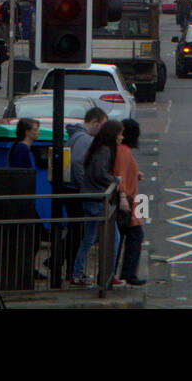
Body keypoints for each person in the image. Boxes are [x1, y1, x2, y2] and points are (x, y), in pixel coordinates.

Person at [73, 119, 125, 289]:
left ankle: (77, 274)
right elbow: (99, 173)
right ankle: (107, 276)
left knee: (88, 238)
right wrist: (115, 180)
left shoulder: (99, 148)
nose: (121, 137)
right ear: (113, 135)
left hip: (90, 197)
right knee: (114, 237)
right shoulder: (105, 151)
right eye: (120, 134)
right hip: (96, 199)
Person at [65, 107, 108, 281]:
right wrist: (86, 186)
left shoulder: (75, 136)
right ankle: (74, 272)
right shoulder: (85, 139)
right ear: (95, 122)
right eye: (102, 125)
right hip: (77, 191)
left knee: (76, 232)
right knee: (81, 234)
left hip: (69, 189)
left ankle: (69, 269)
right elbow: (76, 163)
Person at [112, 117, 147, 286]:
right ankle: (126, 274)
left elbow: (123, 172)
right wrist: (123, 197)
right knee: (134, 236)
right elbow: (120, 175)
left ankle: (119, 274)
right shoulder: (124, 151)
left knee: (123, 237)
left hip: (131, 200)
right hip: (128, 201)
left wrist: (136, 173)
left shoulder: (122, 150)